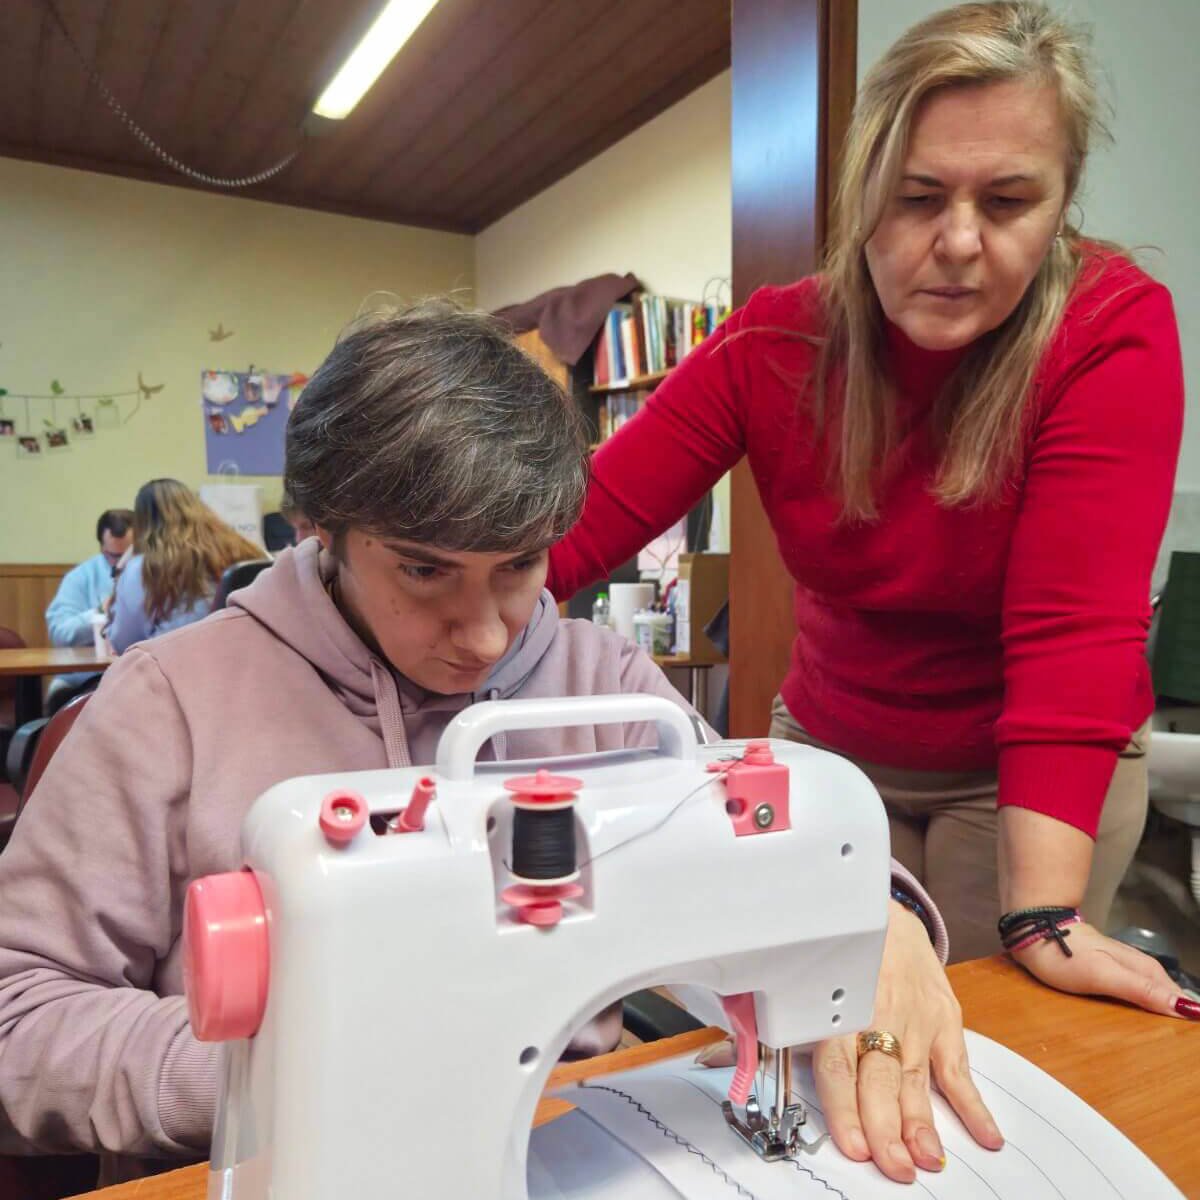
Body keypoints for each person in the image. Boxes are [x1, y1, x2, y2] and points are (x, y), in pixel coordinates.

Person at [0, 300, 960, 1186]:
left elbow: (763, 830)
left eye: (520, 567)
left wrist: (880, 911)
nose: (492, 634)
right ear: (321, 529)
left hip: (571, 1143)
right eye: (425, 570)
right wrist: (265, 1074)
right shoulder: (170, 704)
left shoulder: (605, 683)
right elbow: (18, 1010)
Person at [547, 0, 1195, 1182]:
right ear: (861, 195)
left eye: (1009, 203)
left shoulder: (1110, 332)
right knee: (812, 1054)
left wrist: (1041, 918)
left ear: (1062, 203)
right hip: (833, 751)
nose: (958, 242)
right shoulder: (769, 349)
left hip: (1026, 776)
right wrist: (390, 581)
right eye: (917, 197)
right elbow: (571, 531)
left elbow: (1074, 632)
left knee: (968, 1079)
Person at [106, 479, 262, 654]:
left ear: (142, 524)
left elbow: (124, 643)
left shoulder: (143, 568)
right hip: (246, 664)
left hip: (175, 671)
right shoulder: (244, 551)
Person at [43, 508, 134, 708]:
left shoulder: (150, 577)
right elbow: (60, 632)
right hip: (82, 679)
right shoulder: (80, 578)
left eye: (128, 554)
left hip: (133, 675)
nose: (121, 563)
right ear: (102, 548)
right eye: (113, 555)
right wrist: (101, 612)